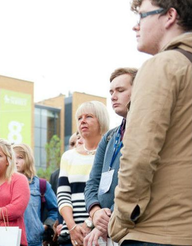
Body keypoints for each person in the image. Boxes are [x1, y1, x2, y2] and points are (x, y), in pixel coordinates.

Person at [109, 0, 192, 245]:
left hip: (156, 231)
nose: (136, 27)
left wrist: (122, 216)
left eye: (142, 16)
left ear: (169, 16)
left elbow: (139, 155)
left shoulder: (162, 66)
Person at [82, 68, 137, 246]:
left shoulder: (144, 131)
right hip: (106, 230)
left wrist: (108, 221)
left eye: (120, 91)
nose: (113, 96)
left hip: (133, 227)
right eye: (111, 92)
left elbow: (136, 182)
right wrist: (95, 211)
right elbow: (93, 182)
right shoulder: (109, 137)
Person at [57, 101, 109, 246]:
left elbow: (110, 195)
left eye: (89, 116)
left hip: (100, 233)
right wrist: (73, 227)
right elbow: (63, 195)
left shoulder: (110, 154)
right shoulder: (68, 156)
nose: (83, 121)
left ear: (101, 120)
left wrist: (90, 224)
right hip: (71, 235)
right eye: (79, 118)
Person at [14, 143, 58, 246]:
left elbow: (55, 209)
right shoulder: (3, 184)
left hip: (33, 241)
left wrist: (45, 226)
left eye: (20, 157)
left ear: (28, 159)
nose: (15, 161)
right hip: (7, 239)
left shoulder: (41, 185)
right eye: (11, 157)